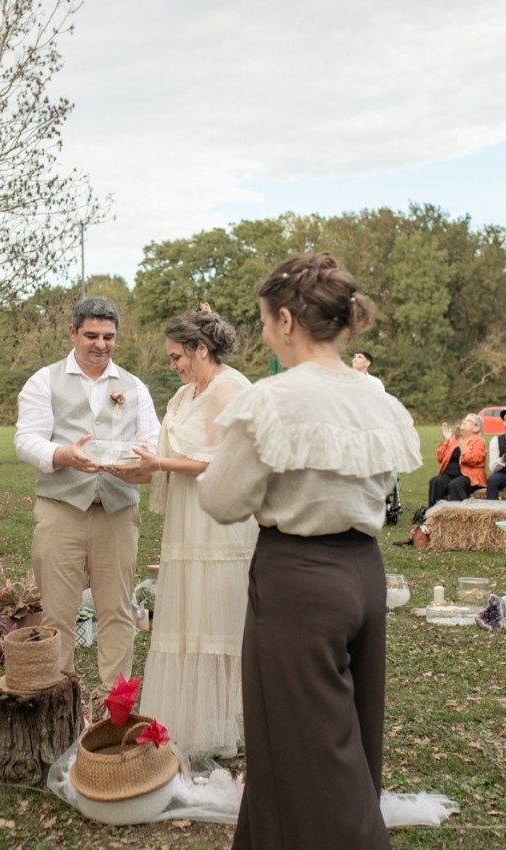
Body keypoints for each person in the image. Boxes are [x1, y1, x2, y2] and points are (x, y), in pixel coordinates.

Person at [198, 253, 421, 850]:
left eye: (266, 320)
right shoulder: (375, 395)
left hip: (298, 579)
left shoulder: (272, 399)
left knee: (311, 752)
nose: (265, 331)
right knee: (345, 733)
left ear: (289, 320)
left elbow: (221, 500)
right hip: (363, 575)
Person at [112, 305, 257, 758]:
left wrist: (160, 465)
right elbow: (170, 456)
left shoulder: (229, 388)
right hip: (187, 518)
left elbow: (222, 460)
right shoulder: (184, 395)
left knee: (221, 616)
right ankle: (197, 718)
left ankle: (231, 722)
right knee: (192, 612)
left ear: (201, 349)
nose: (173, 364)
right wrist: (130, 467)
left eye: (178, 356)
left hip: (220, 520)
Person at [14, 296, 161, 690]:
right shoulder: (44, 380)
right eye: (91, 335)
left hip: (117, 509)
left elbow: (152, 440)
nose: (101, 344)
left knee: (117, 610)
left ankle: (116, 706)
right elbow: (26, 440)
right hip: (62, 507)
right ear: (73, 333)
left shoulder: (134, 386)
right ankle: (58, 701)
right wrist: (64, 455)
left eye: (109, 337)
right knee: (58, 614)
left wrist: (140, 463)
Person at [427, 413, 486, 506]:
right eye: (464, 420)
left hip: (469, 477)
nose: (464, 422)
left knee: (455, 484)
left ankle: (458, 516)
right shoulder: (453, 439)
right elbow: (440, 458)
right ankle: (433, 514)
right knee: (436, 481)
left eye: (469, 421)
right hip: (449, 474)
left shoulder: (479, 441)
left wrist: (461, 441)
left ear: (476, 428)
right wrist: (446, 440)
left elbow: (472, 459)